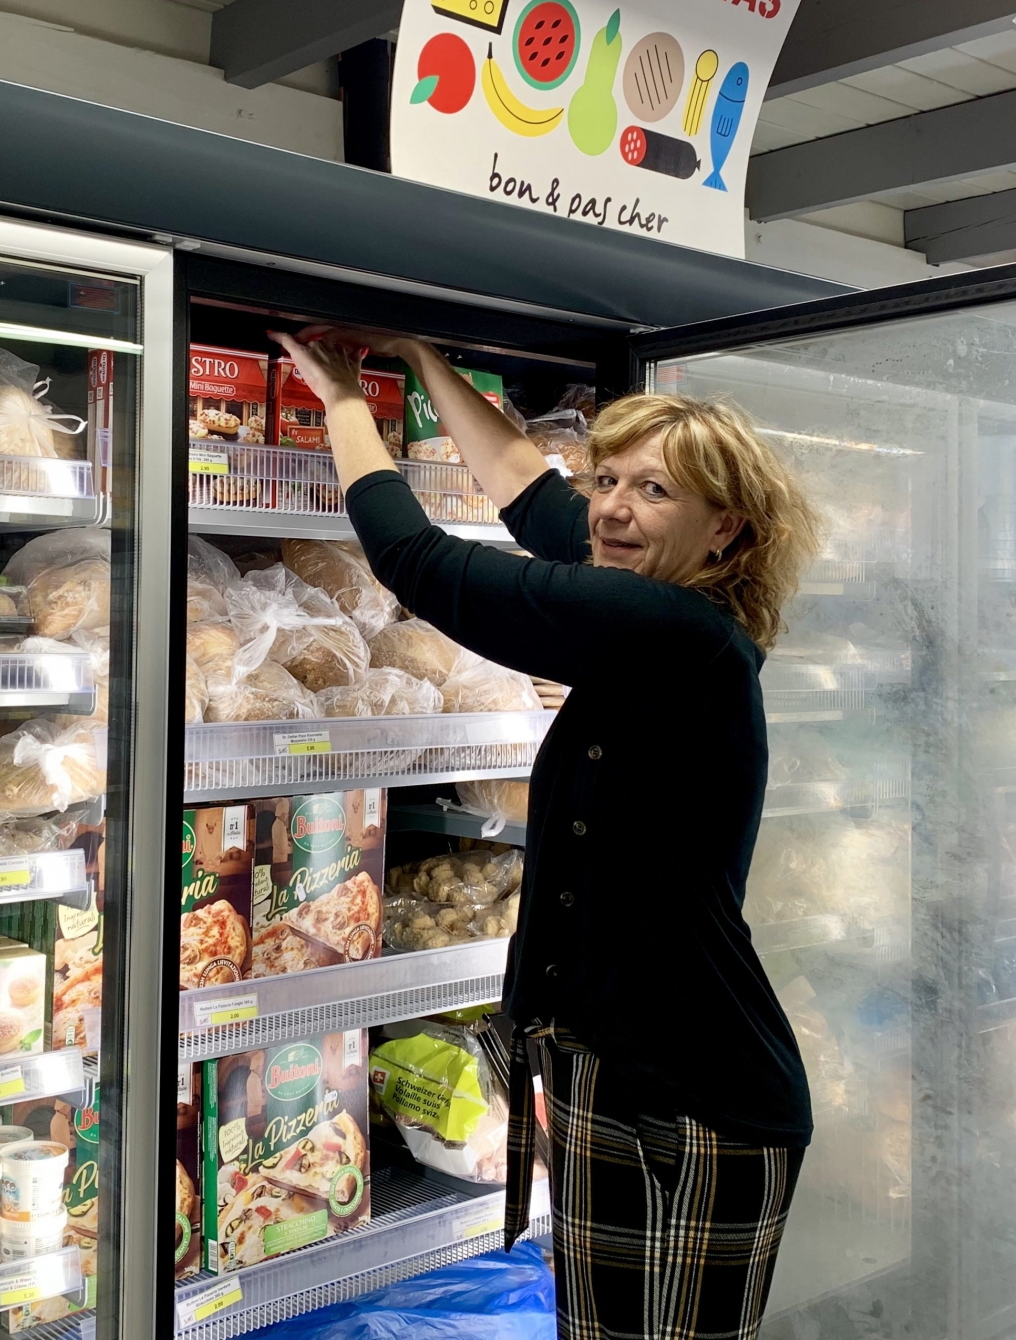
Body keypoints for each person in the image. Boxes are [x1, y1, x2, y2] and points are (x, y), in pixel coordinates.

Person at [271, 325, 822, 1340]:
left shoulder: (673, 633)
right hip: (602, 1066)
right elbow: (529, 490)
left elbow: (420, 564)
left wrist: (343, 395)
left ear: (726, 533)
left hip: (694, 1099)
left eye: (654, 491)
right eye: (607, 478)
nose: (613, 506)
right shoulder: (656, 598)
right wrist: (421, 359)